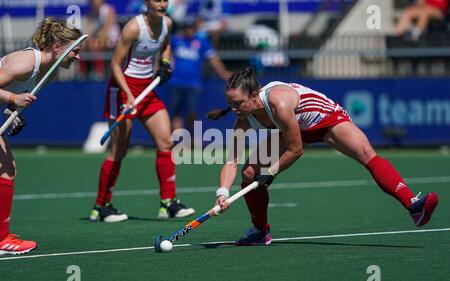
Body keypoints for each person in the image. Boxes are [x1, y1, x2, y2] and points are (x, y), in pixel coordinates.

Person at [209, 67, 439, 246]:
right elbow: (231, 161)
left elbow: (296, 149)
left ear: (253, 95)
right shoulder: (244, 118)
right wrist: (222, 193)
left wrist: (270, 172)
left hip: (326, 121)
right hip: (292, 128)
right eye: (230, 104)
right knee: (249, 173)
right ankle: (260, 231)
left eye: (238, 103)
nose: (234, 109)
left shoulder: (278, 103)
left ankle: (413, 206)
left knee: (367, 155)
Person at [90, 0, 195, 222]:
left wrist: (165, 62)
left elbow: (166, 45)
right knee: (119, 150)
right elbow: (115, 65)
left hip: (148, 89)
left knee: (165, 142)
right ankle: (101, 207)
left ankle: (168, 204)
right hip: (122, 89)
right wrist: (127, 94)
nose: (163, 3)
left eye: (165, 0)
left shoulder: (167, 23)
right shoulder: (133, 27)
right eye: (157, 0)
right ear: (146, 2)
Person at [0, 17, 83, 255]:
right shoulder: (27, 62)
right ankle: (2, 239)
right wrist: (14, 100)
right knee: (6, 169)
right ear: (57, 47)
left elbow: (8, 98)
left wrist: (12, 113)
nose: (77, 57)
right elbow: (11, 94)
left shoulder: (50, 73)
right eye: (74, 51)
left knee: (6, 169)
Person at [169, 15, 231, 133]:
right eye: (187, 28)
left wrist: (223, 73)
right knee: (176, 111)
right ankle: (180, 141)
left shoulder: (202, 42)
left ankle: (192, 136)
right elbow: (165, 53)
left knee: (191, 111)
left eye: (191, 28)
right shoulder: (176, 40)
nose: (189, 30)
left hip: (193, 83)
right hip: (176, 81)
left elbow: (213, 59)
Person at [81, 0, 120, 80]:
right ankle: (83, 73)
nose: (93, 2)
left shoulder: (109, 9)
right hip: (100, 38)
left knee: (94, 44)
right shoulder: (91, 13)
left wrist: (95, 39)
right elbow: (89, 30)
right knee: (83, 45)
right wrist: (86, 39)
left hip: (112, 38)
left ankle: (99, 72)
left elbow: (106, 29)